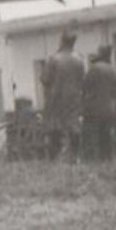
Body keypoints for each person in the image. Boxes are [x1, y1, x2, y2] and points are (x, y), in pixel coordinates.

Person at [40, 31, 86, 160]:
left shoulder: (54, 59)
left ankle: (54, 157)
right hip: (75, 98)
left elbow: (45, 79)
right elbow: (82, 79)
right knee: (74, 126)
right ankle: (75, 156)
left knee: (55, 126)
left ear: (62, 41)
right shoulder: (80, 59)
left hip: (57, 98)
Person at [81, 46, 116, 162]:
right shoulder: (113, 69)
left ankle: (92, 161)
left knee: (91, 137)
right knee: (107, 137)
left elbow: (85, 87)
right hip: (110, 109)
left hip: (95, 109)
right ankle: (108, 160)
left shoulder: (94, 69)